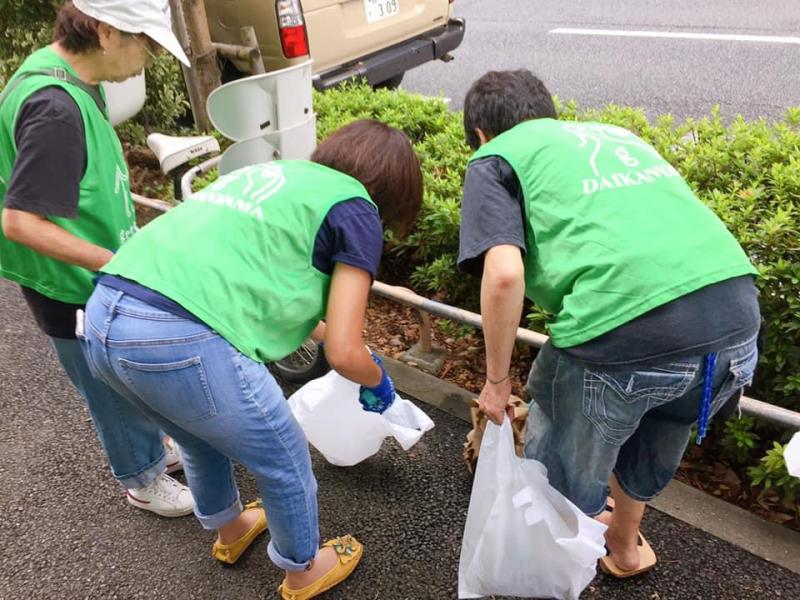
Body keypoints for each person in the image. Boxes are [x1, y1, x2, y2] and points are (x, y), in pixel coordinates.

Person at [78, 119, 423, 598]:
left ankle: (231, 530)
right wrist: (375, 378)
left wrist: (352, 354)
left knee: (197, 438)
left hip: (102, 320)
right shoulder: (355, 208)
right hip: (178, 337)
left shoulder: (268, 178)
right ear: (392, 191)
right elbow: (344, 350)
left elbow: (292, 307)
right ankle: (303, 570)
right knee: (283, 458)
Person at [457, 70, 760, 577]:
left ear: (482, 135)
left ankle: (556, 577)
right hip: (735, 324)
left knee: (560, 473)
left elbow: (505, 274)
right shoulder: (616, 137)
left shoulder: (496, 158)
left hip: (628, 333)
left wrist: (495, 382)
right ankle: (623, 550)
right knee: (658, 425)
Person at [0, 0, 195, 516]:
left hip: (89, 269)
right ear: (107, 31)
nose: (150, 58)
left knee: (122, 371)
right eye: (147, 43)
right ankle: (142, 478)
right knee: (103, 382)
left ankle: (151, 449)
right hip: (70, 281)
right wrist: (113, 260)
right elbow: (19, 221)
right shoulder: (55, 108)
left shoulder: (64, 74)